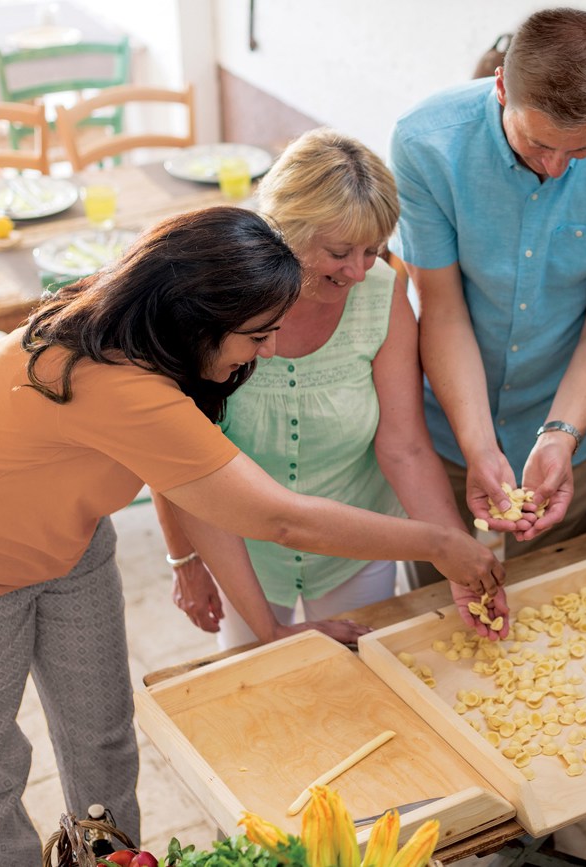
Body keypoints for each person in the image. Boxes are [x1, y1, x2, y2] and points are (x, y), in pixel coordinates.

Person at [0, 207, 502, 867]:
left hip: (66, 533)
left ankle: (110, 860)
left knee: (103, 735)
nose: (266, 350)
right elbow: (280, 517)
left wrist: (270, 629)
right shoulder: (117, 381)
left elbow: (201, 492)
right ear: (198, 317)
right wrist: (439, 541)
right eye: (257, 334)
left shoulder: (160, 343)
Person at [159, 130, 507, 647]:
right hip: (238, 550)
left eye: (374, 250)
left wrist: (457, 563)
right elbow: (170, 453)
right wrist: (185, 559)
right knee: (256, 679)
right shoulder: (212, 298)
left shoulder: (381, 292)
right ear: (284, 229)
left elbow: (406, 447)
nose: (360, 271)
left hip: (358, 545)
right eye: (340, 252)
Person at [389, 7, 586, 585]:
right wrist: (477, 445)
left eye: (582, 150)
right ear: (501, 88)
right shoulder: (425, 144)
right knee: (435, 599)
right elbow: (441, 311)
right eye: (540, 143)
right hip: (444, 421)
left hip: (572, 420)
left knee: (552, 597)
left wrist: (558, 435)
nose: (555, 165)